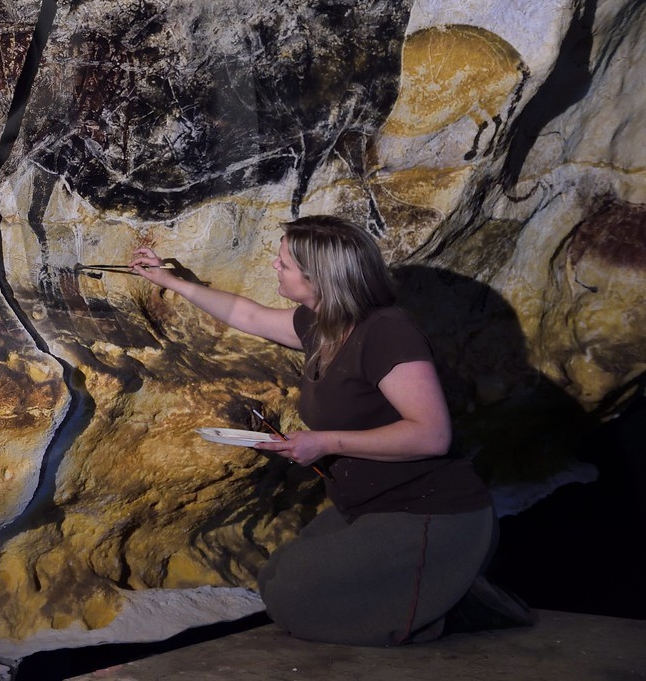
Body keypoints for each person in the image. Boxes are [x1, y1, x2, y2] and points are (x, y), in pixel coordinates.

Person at [130, 215, 513, 646]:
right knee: (276, 579)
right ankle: (436, 590)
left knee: (299, 602)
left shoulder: (387, 334)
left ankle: (453, 604)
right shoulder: (323, 323)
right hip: (368, 506)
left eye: (284, 264)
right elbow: (249, 315)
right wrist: (172, 281)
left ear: (319, 278)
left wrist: (324, 442)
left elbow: (430, 436)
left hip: (431, 512)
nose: (275, 266)